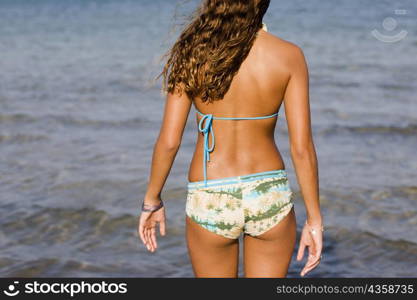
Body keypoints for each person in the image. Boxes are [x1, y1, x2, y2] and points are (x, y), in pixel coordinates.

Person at [138, 0, 323, 278]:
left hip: (211, 193)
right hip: (268, 192)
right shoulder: (289, 55)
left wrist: (152, 201)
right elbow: (302, 148)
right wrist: (314, 220)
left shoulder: (193, 51)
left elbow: (169, 141)